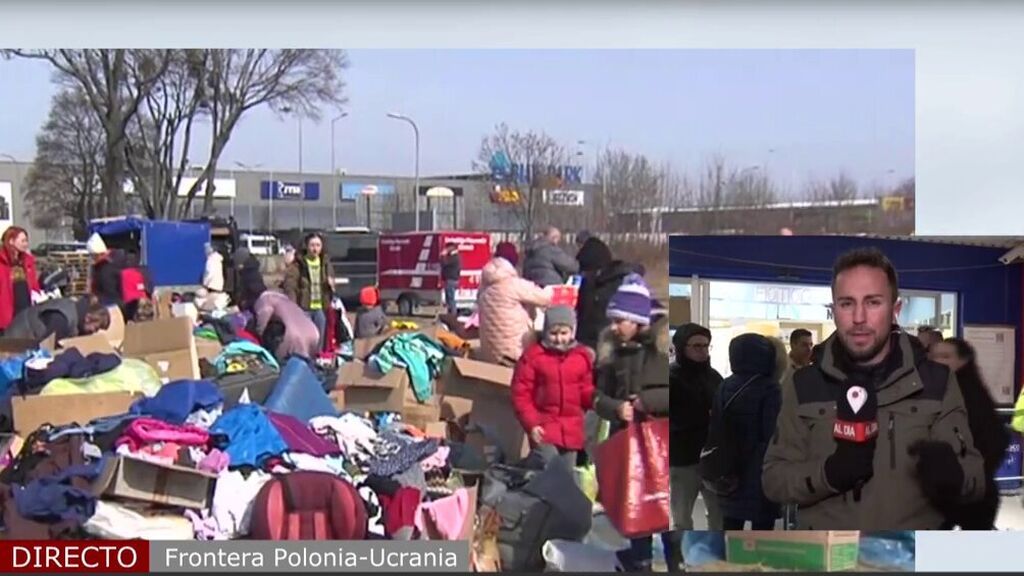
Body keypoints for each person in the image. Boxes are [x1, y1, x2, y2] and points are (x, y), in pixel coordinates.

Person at [762, 247, 985, 529]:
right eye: (846, 303)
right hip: (828, 557)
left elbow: (975, 479)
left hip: (909, 555)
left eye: (873, 302)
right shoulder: (804, 383)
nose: (858, 317)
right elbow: (774, 480)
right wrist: (828, 475)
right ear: (834, 310)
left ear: (895, 310)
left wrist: (954, 478)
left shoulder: (936, 381)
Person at [593, 274, 678, 572]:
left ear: (636, 319)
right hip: (627, 439)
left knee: (665, 502)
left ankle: (675, 562)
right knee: (636, 499)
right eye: (613, 320)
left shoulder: (664, 350)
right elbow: (595, 395)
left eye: (620, 320)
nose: (615, 327)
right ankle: (640, 559)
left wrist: (646, 402)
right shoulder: (611, 350)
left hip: (664, 441)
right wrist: (615, 408)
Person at [930, 337, 1010, 529]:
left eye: (945, 356)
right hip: (945, 493)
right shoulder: (937, 392)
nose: (936, 361)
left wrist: (972, 475)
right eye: (934, 356)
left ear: (963, 361)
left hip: (967, 494)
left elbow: (996, 440)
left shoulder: (968, 396)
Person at [511, 306, 594, 472]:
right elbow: (521, 393)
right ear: (545, 332)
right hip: (544, 427)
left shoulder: (581, 357)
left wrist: (595, 401)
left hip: (572, 429)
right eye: (553, 333)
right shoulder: (534, 357)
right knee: (548, 470)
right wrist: (532, 423)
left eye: (564, 333)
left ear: (572, 332)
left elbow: (586, 389)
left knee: (566, 476)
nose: (558, 339)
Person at [715, 333, 783, 530]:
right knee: (762, 525)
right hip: (760, 467)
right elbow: (771, 431)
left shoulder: (725, 384)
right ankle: (758, 559)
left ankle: (728, 558)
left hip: (729, 465)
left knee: (731, 521)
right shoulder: (770, 388)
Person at [670, 323, 723, 531]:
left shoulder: (714, 377)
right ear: (682, 347)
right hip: (683, 459)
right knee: (682, 517)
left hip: (712, 457)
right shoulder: (671, 378)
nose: (702, 351)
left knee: (718, 515)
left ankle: (714, 557)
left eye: (706, 346)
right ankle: (682, 557)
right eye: (696, 346)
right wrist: (702, 416)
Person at [476, 256, 552, 366]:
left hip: (490, 354)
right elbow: (545, 298)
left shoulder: (483, 290)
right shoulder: (513, 284)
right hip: (515, 351)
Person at [574, 235, 638, 350]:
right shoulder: (588, 285)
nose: (583, 275)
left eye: (585, 271)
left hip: (611, 345)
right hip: (585, 344)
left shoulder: (623, 283)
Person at [283, 233, 335, 354]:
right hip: (304, 308)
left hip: (320, 307)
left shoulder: (325, 263)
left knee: (320, 338)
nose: (315, 248)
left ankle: (318, 360)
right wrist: (293, 306)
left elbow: (331, 279)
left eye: (318, 245)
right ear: (306, 246)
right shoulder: (298, 264)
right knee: (305, 338)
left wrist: (331, 283)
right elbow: (290, 285)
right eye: (312, 245)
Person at [3, 296, 111, 342]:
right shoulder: (62, 320)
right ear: (88, 318)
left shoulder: (73, 311)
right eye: (96, 328)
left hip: (23, 336)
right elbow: (47, 348)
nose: (93, 332)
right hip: (16, 339)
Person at [252, 290, 320, 361]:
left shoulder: (264, 299)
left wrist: (259, 333)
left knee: (286, 364)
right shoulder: (285, 299)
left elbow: (265, 313)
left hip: (293, 335)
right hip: (312, 331)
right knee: (307, 364)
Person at [0, 226, 40, 334]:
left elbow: (33, 283)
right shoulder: (2, 261)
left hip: (25, 306)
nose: (26, 244)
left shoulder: (27, 261)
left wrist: (38, 294)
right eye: (22, 241)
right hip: (6, 310)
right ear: (11, 241)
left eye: (26, 241)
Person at [87, 232, 126, 307]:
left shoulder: (105, 269)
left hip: (110, 304)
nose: (91, 258)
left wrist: (98, 299)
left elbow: (109, 291)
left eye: (92, 256)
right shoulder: (111, 264)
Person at [232, 247, 267, 312]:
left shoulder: (251, 275)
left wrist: (242, 305)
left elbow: (258, 296)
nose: (236, 267)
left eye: (237, 264)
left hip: (252, 311)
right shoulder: (246, 272)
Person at [440, 241, 462, 316]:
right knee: (448, 298)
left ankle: (452, 314)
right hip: (451, 279)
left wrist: (443, 256)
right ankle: (450, 313)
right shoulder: (454, 256)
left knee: (450, 298)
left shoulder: (454, 257)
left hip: (451, 280)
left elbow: (444, 264)